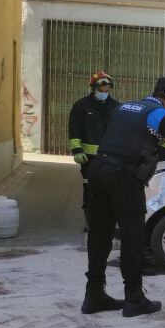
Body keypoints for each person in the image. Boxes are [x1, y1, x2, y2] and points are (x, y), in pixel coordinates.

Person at [83, 77, 165, 317]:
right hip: (123, 177)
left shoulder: (124, 107)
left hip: (98, 171)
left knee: (100, 235)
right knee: (133, 237)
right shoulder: (162, 116)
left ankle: (94, 296)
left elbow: (129, 136)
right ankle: (134, 299)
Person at [68, 71, 119, 230]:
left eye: (106, 91)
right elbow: (74, 129)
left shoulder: (116, 107)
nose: (103, 93)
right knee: (90, 189)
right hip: (88, 159)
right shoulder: (81, 106)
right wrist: (77, 150)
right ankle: (90, 221)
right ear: (93, 88)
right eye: (100, 90)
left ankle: (110, 221)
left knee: (111, 189)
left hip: (111, 158)